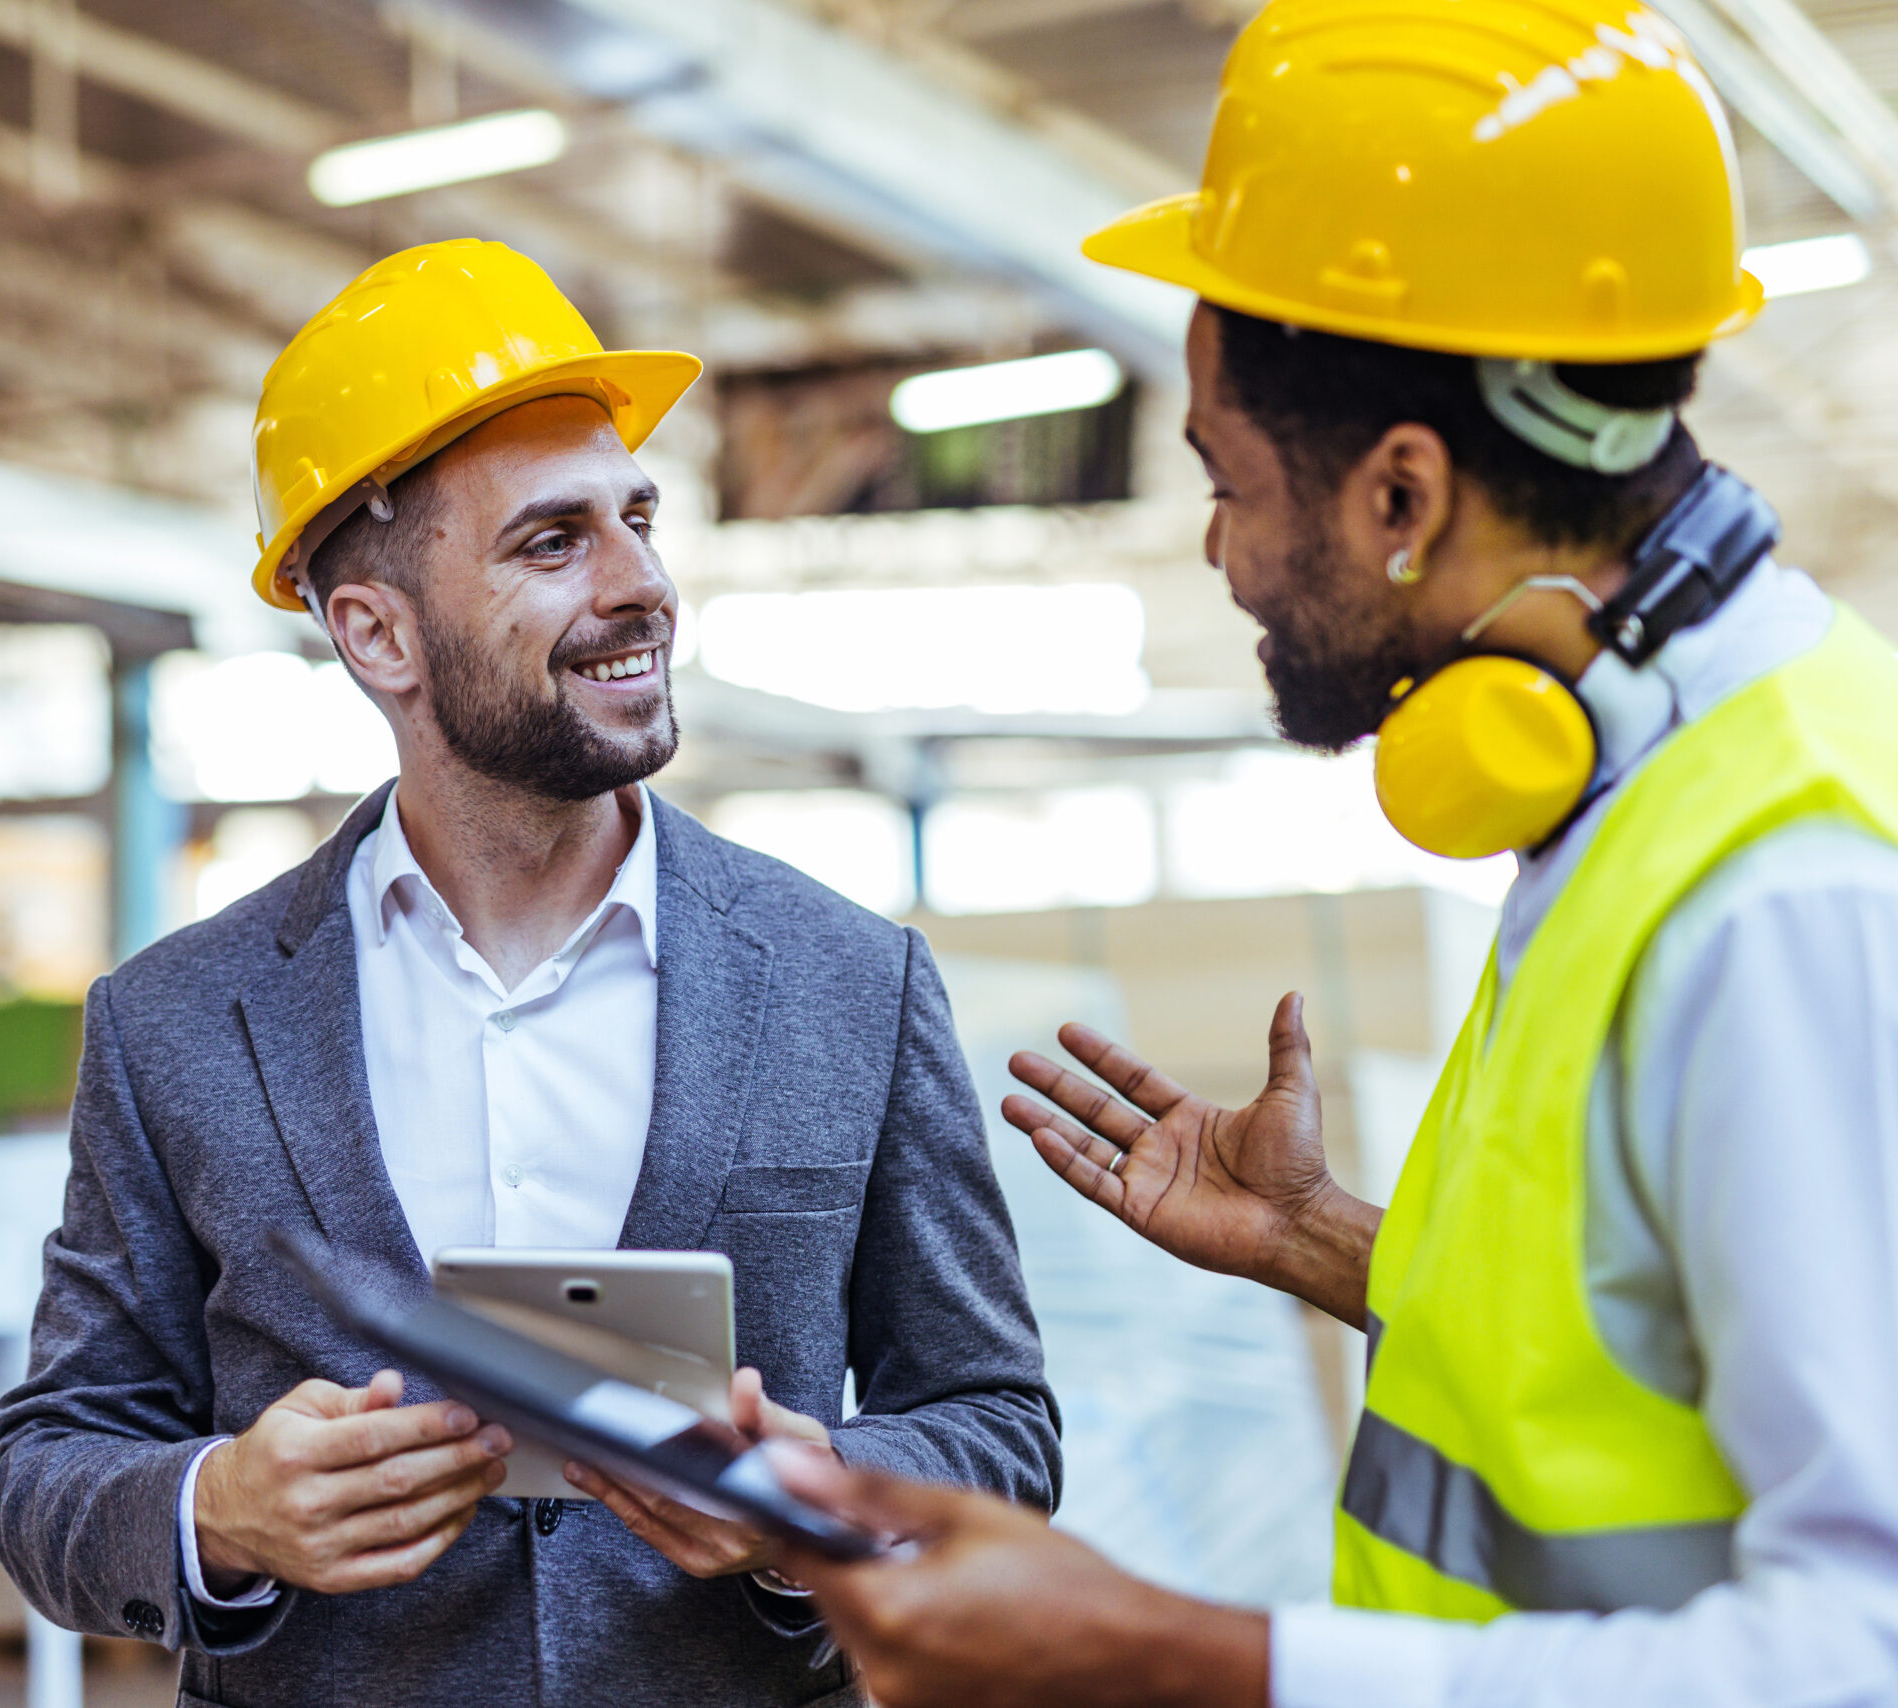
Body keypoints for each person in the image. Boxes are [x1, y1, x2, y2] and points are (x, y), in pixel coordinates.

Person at [768, 0, 1898, 1703]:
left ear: (1401, 496)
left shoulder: (1786, 895)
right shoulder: (1649, 783)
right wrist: (1328, 1246)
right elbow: (1643, 1389)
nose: (1217, 552)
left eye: (1227, 482)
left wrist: (1167, 1652)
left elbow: (1860, 1644)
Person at [0, 239, 1060, 1708]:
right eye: (553, 545)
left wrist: (823, 1491)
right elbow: (54, 1462)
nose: (643, 588)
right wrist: (219, 1509)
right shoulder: (179, 1022)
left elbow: (995, 1422)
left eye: (639, 519)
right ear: (375, 633)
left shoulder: (848, 983)